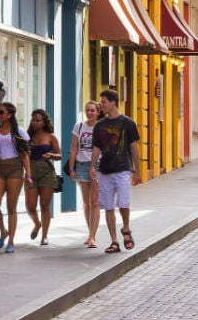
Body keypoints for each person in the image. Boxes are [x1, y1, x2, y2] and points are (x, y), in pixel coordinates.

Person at [90, 89, 141, 254]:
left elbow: (134, 147)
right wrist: (92, 166)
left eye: (103, 102)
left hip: (123, 169)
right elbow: (97, 147)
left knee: (124, 204)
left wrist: (137, 171)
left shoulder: (128, 123)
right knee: (109, 207)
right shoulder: (100, 125)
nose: (101, 105)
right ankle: (114, 241)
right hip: (105, 170)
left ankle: (126, 228)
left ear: (113, 102)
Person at [0, 102, 31, 253]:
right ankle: (3, 230)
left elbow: (25, 155)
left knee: (12, 206)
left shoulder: (19, 132)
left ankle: (11, 240)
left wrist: (29, 175)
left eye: (1, 112)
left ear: (10, 115)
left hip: (15, 169)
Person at [68, 100, 102, 247]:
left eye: (92, 110)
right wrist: (71, 169)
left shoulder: (101, 127)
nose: (89, 113)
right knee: (86, 203)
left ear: (98, 112)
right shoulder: (79, 126)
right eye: (87, 110)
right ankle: (90, 233)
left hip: (98, 165)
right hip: (81, 165)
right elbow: (74, 148)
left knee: (95, 202)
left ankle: (92, 236)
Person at [25, 109, 61, 246]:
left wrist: (51, 155)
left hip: (46, 172)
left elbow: (59, 155)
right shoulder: (27, 137)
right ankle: (37, 224)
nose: (34, 122)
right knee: (30, 206)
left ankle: (44, 236)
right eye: (33, 120)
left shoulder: (51, 137)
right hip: (31, 172)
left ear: (44, 122)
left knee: (45, 205)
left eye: (38, 120)